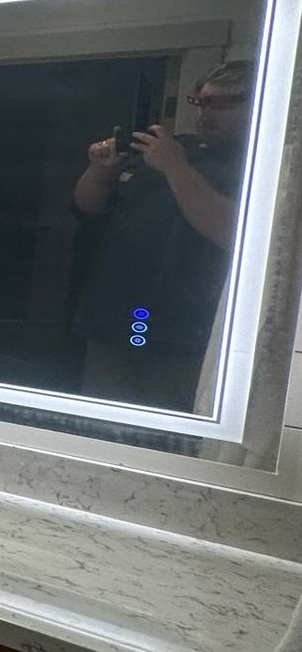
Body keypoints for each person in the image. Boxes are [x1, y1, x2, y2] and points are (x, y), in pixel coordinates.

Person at [70, 60, 253, 411]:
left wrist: (174, 167)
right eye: (201, 102)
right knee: (98, 428)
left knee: (166, 439)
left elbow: (233, 235)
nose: (206, 113)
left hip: (186, 333)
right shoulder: (174, 149)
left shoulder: (263, 165)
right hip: (113, 319)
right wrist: (99, 172)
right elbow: (89, 209)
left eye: (223, 103)